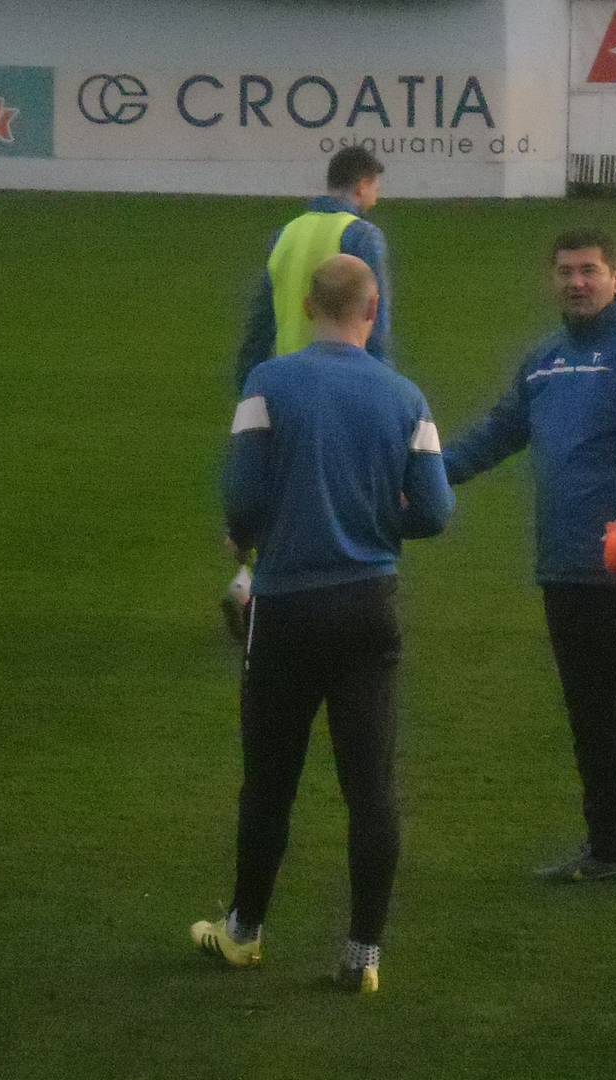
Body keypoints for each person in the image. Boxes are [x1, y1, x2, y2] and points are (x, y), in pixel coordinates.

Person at [192, 254, 454, 992]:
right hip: (368, 606)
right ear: (372, 311)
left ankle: (244, 932)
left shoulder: (267, 383)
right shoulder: (406, 396)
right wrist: (379, 519)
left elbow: (242, 497)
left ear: (309, 307)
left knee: (268, 783)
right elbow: (436, 511)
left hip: (286, 606)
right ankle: (363, 955)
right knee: (370, 788)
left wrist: (250, 531)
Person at [441, 228, 616, 893]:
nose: (577, 282)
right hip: (564, 568)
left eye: (589, 271)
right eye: (566, 271)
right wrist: (432, 471)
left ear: (615, 277)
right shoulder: (543, 361)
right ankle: (606, 850)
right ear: (553, 280)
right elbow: (499, 432)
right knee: (592, 720)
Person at [223, 146, 393, 639]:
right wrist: (383, 391)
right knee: (333, 494)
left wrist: (249, 390)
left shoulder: (285, 234)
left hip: (280, 384)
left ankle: (248, 586)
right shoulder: (362, 236)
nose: (376, 198)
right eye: (375, 188)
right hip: (341, 383)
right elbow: (375, 321)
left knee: (278, 487)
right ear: (361, 184)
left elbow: (259, 321)